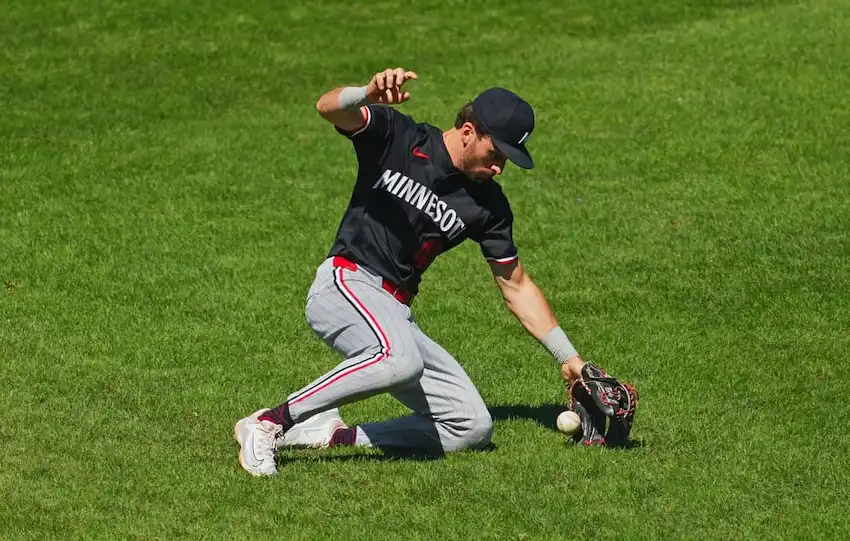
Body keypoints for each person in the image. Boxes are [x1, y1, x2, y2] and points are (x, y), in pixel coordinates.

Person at [235, 67, 610, 476]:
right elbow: (326, 107)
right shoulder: (399, 138)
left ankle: (329, 433)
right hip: (345, 283)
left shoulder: (489, 206)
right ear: (468, 131)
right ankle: (269, 422)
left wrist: (568, 357)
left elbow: (515, 285)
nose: (500, 167)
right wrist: (366, 93)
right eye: (496, 153)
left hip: (395, 313)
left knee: (472, 427)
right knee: (399, 359)